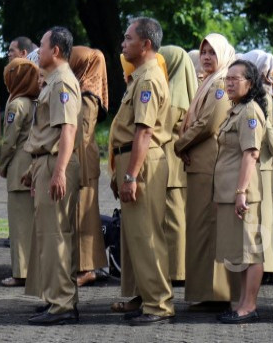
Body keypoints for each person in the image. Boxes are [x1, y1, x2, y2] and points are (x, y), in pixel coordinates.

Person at [109, 17, 174, 325]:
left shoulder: (147, 79)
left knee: (148, 235)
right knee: (137, 236)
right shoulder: (140, 76)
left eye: (128, 38)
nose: (123, 43)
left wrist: (131, 175)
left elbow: (144, 133)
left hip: (143, 162)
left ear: (145, 44)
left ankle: (159, 305)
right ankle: (146, 297)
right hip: (136, 160)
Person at [174, 33, 238, 311]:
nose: (207, 57)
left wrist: (180, 144)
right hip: (200, 166)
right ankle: (205, 293)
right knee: (200, 230)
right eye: (204, 52)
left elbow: (208, 124)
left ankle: (217, 294)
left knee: (209, 229)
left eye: (212, 52)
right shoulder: (208, 83)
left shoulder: (221, 84)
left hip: (211, 166)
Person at [22, 26, 82, 325]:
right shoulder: (54, 82)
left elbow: (67, 130)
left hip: (56, 163)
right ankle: (59, 299)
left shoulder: (61, 83)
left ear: (55, 51)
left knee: (56, 235)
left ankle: (62, 305)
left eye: (42, 46)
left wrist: (58, 172)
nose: (39, 51)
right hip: (47, 163)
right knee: (52, 235)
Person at [213, 60, 267, 323]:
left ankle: (249, 306)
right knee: (240, 251)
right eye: (228, 78)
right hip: (230, 191)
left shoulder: (250, 112)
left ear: (251, 83)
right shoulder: (236, 110)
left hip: (243, 192)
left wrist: (241, 191)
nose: (230, 83)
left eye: (236, 78)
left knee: (251, 249)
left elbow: (251, 153)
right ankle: (241, 303)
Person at [68, 46, 108, 287]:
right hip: (82, 157)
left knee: (84, 214)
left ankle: (87, 268)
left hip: (82, 159)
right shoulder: (83, 91)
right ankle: (85, 265)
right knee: (81, 213)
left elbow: (81, 133)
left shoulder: (88, 95)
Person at [158, 45, 198, 284]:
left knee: (173, 220)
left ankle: (176, 271)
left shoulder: (173, 97)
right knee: (177, 217)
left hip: (170, 162)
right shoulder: (185, 92)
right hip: (177, 162)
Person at [0, 58, 40, 287]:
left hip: (18, 167)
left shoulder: (16, 105)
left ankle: (21, 273)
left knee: (19, 224)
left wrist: (3, 165)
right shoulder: (35, 102)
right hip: (34, 165)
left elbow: (9, 142)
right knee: (32, 223)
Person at [241, 50, 273, 283]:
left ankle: (265, 266)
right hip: (265, 161)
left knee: (263, 216)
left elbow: (268, 129)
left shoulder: (260, 92)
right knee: (265, 215)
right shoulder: (269, 90)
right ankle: (269, 264)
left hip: (260, 160)